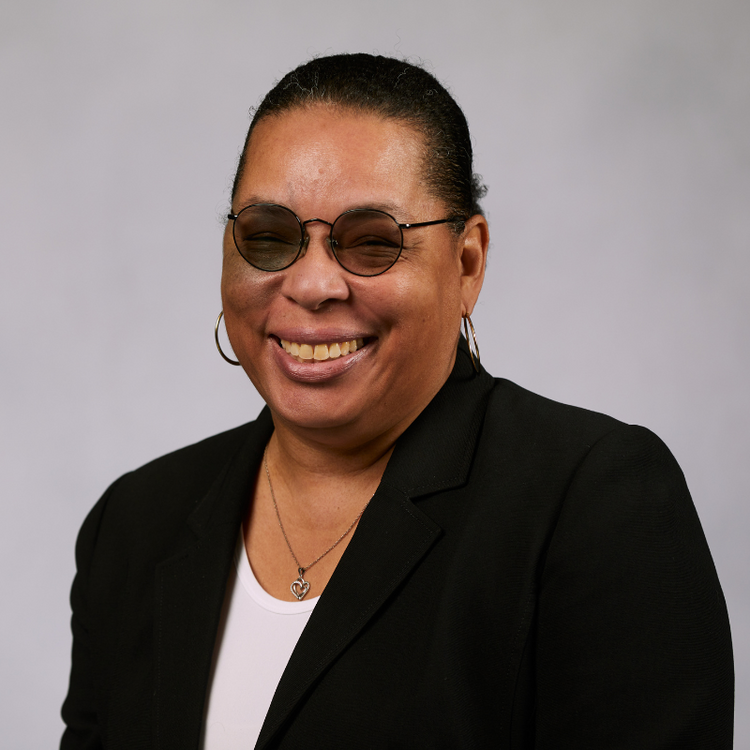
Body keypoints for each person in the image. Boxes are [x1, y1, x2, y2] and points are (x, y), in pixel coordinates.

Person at [60, 53, 734, 749]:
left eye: (373, 242)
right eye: (268, 236)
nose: (312, 285)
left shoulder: (593, 505)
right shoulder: (135, 525)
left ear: (467, 263)